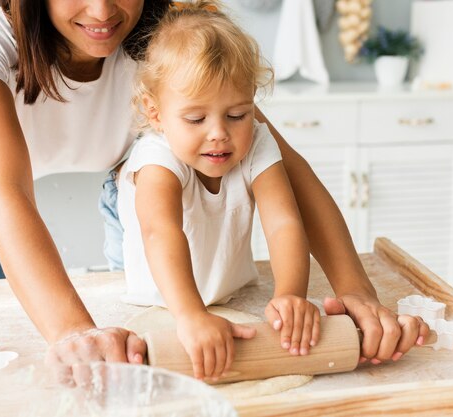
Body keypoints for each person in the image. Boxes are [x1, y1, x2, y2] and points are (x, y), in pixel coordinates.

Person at [0, 0, 427, 387]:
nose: (102, 12)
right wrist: (75, 331)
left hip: (22, 199)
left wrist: (355, 288)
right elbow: (6, 197)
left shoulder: (165, 39)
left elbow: (285, 166)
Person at [115, 0, 320, 381]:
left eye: (237, 114)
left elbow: (283, 223)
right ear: (156, 113)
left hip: (230, 291)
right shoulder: (156, 155)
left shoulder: (256, 142)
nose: (219, 133)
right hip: (159, 298)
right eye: (196, 118)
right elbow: (161, 231)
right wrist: (192, 315)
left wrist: (291, 294)